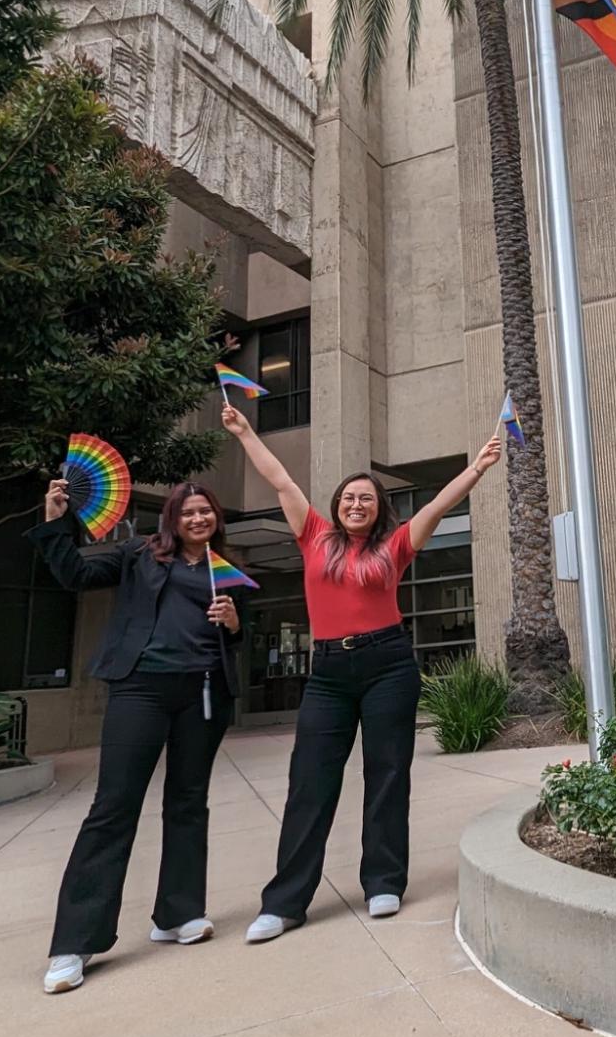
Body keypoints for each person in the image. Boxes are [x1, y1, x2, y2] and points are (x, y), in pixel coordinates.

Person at [221, 404, 501, 940]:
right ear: (336, 505)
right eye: (349, 497)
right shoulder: (313, 535)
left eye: (366, 499)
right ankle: (284, 903)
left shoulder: (396, 546)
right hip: (327, 672)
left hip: (387, 665)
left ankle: (383, 882)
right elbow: (279, 478)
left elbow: (440, 504)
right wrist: (246, 432)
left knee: (388, 773)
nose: (355, 504)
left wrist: (479, 466)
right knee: (310, 781)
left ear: (379, 511)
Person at [28, 479, 243, 993]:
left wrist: (234, 625)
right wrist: (58, 521)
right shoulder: (138, 553)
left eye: (206, 512)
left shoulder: (225, 570)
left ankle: (178, 914)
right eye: (189, 512)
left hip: (204, 693)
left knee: (189, 802)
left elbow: (238, 635)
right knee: (114, 806)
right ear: (173, 517)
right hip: (140, 690)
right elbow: (76, 573)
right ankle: (73, 943)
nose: (198, 520)